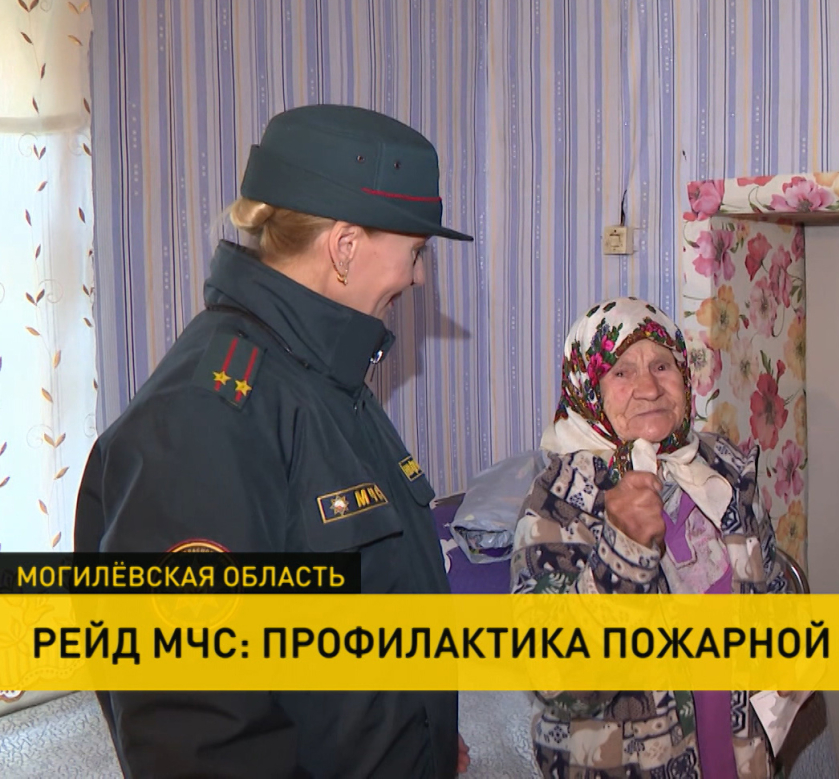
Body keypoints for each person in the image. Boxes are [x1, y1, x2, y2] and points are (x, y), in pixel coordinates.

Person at [75, 104, 474, 778]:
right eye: (415, 252)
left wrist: (425, 735)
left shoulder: (323, 380)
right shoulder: (205, 419)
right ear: (345, 247)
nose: (417, 277)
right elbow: (197, 735)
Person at [511, 297, 794, 778]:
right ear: (587, 388)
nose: (648, 388)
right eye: (622, 372)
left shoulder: (723, 472)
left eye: (662, 366)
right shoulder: (559, 499)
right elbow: (556, 682)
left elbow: (772, 597)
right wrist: (622, 550)